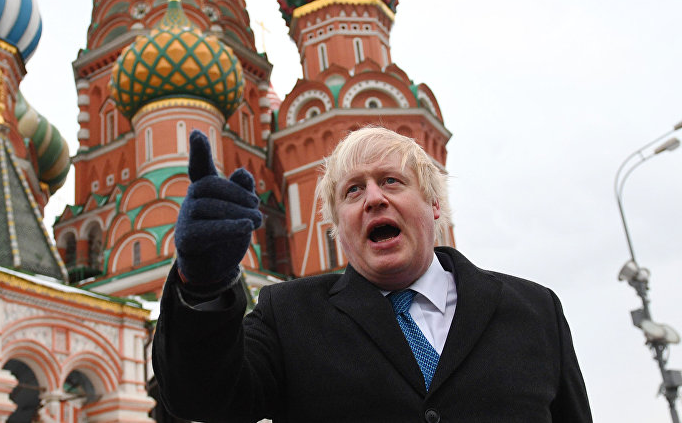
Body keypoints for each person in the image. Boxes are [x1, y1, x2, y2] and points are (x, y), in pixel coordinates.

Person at [154, 127, 592, 422]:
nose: (374, 198)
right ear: (337, 226)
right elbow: (201, 397)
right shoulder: (288, 315)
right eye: (353, 190)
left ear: (434, 204)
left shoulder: (533, 310)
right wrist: (204, 284)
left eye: (391, 181)